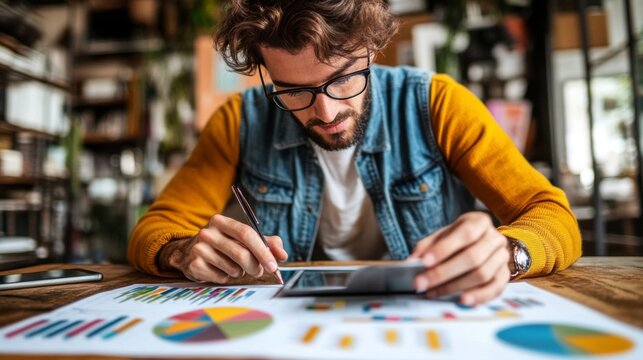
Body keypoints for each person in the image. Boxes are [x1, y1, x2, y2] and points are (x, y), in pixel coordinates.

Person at [128, 0, 581, 306]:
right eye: (293, 90)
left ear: (372, 49)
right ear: (266, 72)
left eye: (344, 78)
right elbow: (155, 228)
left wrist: (510, 252)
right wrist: (181, 251)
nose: (325, 111)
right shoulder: (238, 121)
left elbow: (552, 215)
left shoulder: (440, 104)